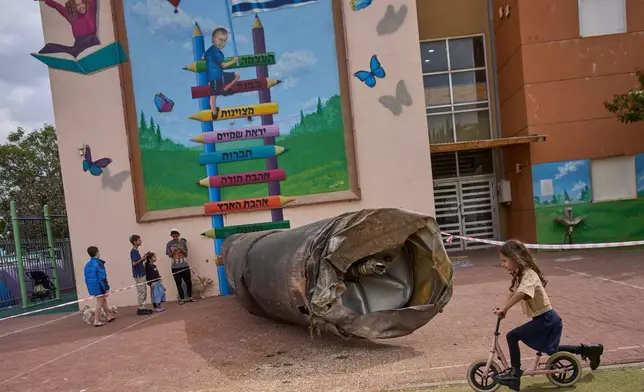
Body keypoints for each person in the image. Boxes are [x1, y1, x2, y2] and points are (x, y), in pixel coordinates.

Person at [493, 239, 604, 391]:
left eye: (505, 260)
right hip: (545, 319)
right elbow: (512, 292)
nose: (503, 264)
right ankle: (589, 350)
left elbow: (521, 292)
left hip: (546, 319)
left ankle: (514, 375)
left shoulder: (529, 274)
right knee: (551, 350)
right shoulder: (521, 275)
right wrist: (502, 307)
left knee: (512, 336)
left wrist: (505, 309)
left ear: (515, 258)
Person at [36, 0, 101, 58]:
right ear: (74, 7)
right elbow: (57, 6)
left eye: (82, 3)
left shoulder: (91, 11)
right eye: (77, 5)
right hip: (77, 48)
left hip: (91, 43)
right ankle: (76, 56)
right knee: (49, 47)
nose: (81, 6)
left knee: (92, 38)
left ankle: (94, 55)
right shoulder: (72, 17)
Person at [203, 27, 239, 118]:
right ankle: (215, 113)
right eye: (220, 40)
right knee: (213, 96)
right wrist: (234, 61)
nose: (222, 43)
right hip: (218, 76)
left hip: (212, 76)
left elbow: (203, 57)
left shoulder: (210, 50)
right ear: (213, 39)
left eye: (225, 41)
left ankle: (215, 111)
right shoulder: (216, 52)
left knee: (213, 95)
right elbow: (224, 66)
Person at [83, 246, 115, 327]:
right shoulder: (98, 263)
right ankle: (96, 321)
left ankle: (108, 316)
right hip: (98, 285)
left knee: (103, 300)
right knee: (100, 302)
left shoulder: (87, 265)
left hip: (92, 285)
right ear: (97, 252)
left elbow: (86, 277)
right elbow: (102, 277)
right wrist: (106, 288)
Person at [165, 229, 194, 304]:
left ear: (179, 235)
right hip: (175, 267)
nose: (175, 237)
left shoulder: (182, 242)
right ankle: (182, 299)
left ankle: (190, 296)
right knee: (178, 283)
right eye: (173, 236)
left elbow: (186, 254)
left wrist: (181, 249)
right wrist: (173, 251)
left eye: (176, 236)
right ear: (171, 236)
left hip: (184, 265)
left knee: (188, 281)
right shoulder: (169, 244)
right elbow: (169, 255)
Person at [129, 235, 154, 316]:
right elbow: (134, 263)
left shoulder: (136, 251)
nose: (140, 241)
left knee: (143, 291)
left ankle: (142, 307)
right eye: (139, 240)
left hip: (141, 273)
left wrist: (142, 259)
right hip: (138, 274)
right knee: (141, 291)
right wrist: (142, 259)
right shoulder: (133, 251)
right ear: (134, 242)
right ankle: (141, 308)